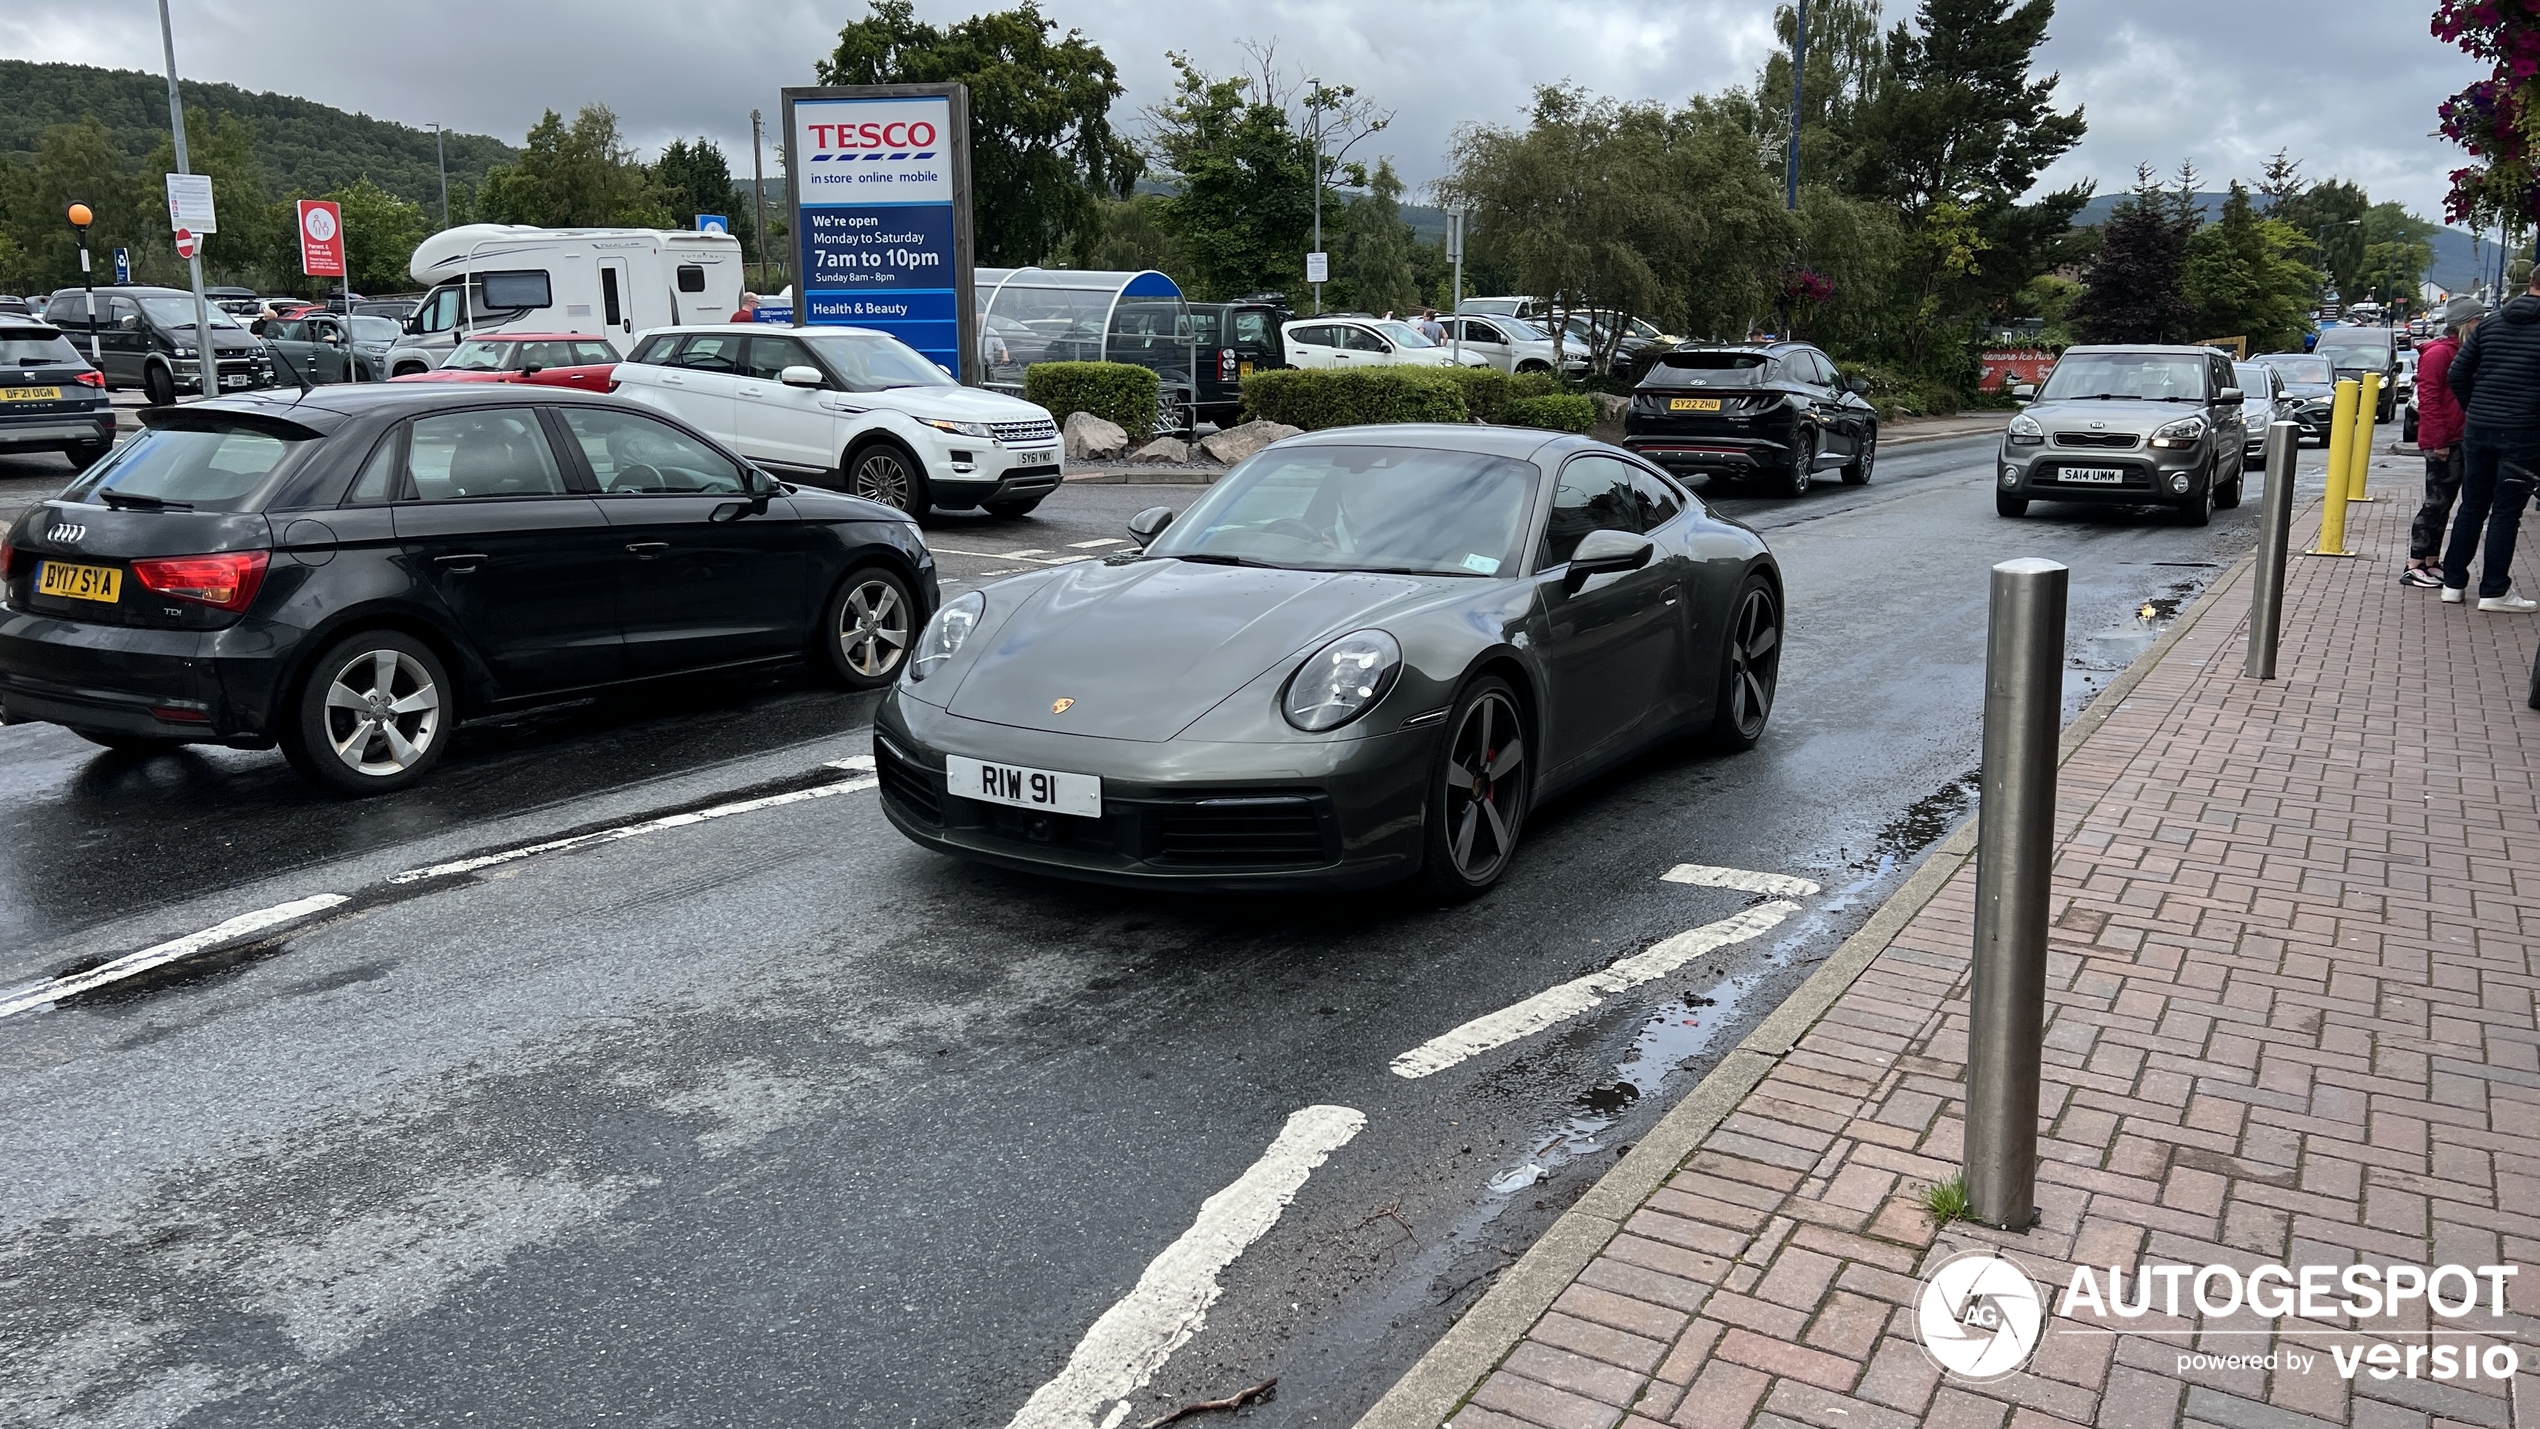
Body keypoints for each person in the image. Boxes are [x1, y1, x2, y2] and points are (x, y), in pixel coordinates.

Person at [2444, 263, 2540, 610]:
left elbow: (2457, 373)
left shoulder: (2492, 323)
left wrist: (2475, 408)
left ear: (2529, 282)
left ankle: (2452, 582)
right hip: (2524, 432)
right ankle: (2494, 589)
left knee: (2472, 505)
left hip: (2479, 428)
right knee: (2506, 510)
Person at [2403, 296, 2482, 587]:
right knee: (2434, 503)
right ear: (2464, 323)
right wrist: (2438, 440)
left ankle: (2431, 560)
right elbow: (2430, 399)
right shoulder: (2440, 354)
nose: (2480, 325)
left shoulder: (2456, 351)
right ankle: (2415, 563)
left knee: (2444, 503)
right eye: (2477, 320)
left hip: (2455, 436)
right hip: (2443, 439)